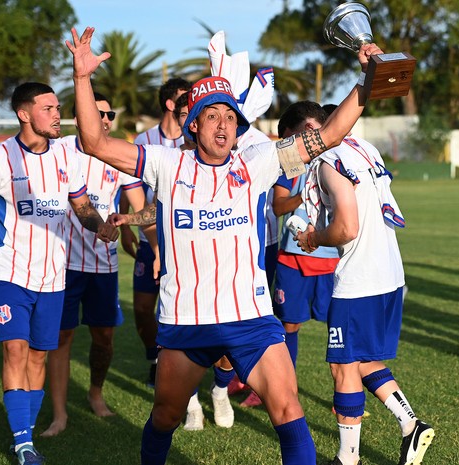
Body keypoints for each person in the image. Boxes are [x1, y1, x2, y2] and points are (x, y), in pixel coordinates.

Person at [67, 26, 382, 465]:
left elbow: (328, 134)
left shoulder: (258, 161)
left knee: (289, 410)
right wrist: (82, 78)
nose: (223, 124)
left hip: (249, 317)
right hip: (186, 319)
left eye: (230, 116)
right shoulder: (165, 162)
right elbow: (94, 142)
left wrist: (366, 79)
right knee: (165, 415)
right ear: (193, 125)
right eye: (212, 115)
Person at [296, 109, 435, 464]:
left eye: (296, 138)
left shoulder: (329, 160)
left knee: (343, 367)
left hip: (360, 278)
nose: (297, 148)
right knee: (360, 361)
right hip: (390, 273)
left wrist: (313, 237)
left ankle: (348, 458)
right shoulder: (365, 148)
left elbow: (347, 228)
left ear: (313, 130)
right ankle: (410, 424)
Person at [0, 81, 117, 465]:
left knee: (37, 358)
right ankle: (23, 445)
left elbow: (81, 206)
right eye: (48, 108)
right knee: (15, 350)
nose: (57, 114)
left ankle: (25, 433)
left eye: (57, 107)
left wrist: (101, 226)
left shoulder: (67, 157)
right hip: (8, 272)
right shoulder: (0, 158)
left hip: (53, 277)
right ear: (24, 114)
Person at [40, 92, 146, 438]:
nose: (104, 119)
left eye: (108, 114)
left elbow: (140, 207)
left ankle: (95, 393)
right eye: (97, 112)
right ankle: (59, 414)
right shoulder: (60, 149)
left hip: (104, 265)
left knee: (104, 338)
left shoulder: (118, 153)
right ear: (79, 116)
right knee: (61, 336)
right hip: (63, 263)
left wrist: (151, 244)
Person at [125, 76, 191, 387]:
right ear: (170, 104)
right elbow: (136, 193)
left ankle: (185, 372)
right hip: (150, 237)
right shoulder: (143, 140)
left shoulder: (193, 140)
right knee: (142, 309)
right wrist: (146, 238)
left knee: (179, 308)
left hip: (184, 240)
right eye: (184, 99)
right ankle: (155, 357)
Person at [272, 101, 339, 369]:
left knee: (339, 330)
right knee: (288, 325)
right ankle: (283, 388)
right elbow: (278, 206)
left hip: (333, 256)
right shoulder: (292, 158)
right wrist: (305, 192)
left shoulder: (340, 156)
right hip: (295, 258)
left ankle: (345, 398)